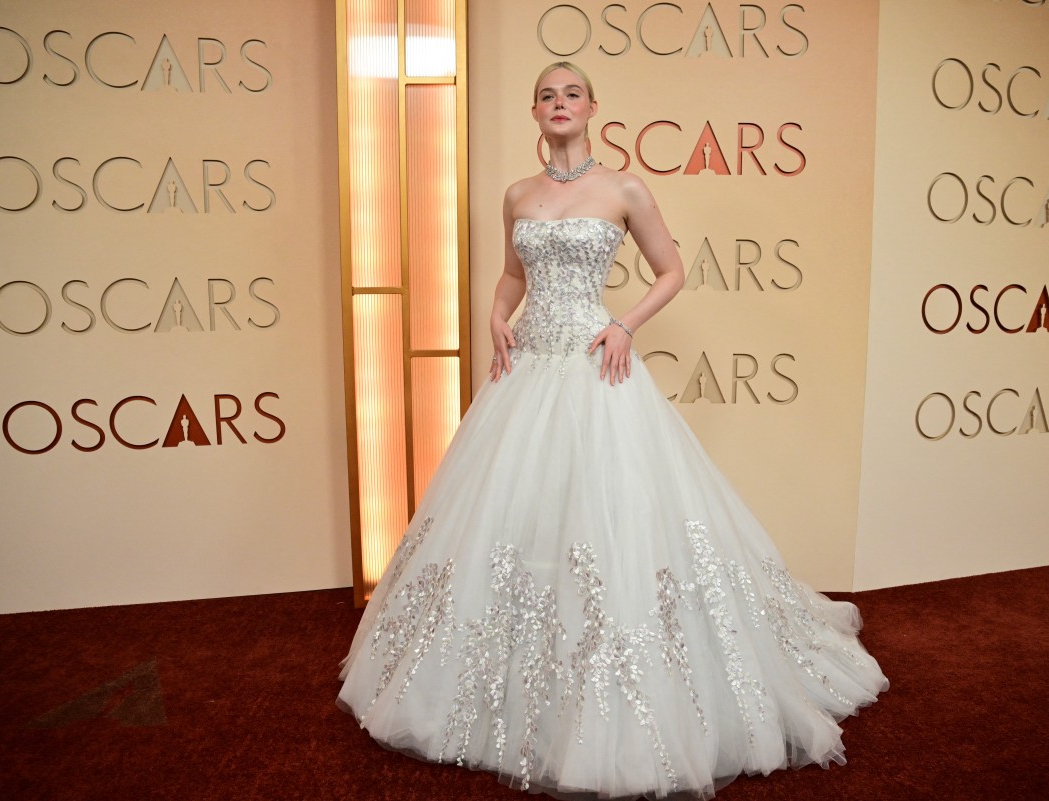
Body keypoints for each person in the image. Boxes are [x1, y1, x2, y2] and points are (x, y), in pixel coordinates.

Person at [337, 61, 888, 800]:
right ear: (534, 111)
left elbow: (671, 270)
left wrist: (624, 324)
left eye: (572, 93)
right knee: (518, 513)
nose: (559, 102)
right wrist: (496, 314)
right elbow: (513, 274)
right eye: (546, 94)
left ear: (592, 107)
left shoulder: (625, 189)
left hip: (596, 364)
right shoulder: (517, 194)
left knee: (606, 513)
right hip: (526, 368)